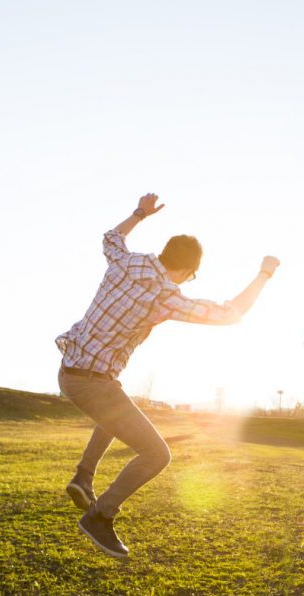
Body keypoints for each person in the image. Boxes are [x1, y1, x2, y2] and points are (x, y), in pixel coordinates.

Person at [55, 193, 279, 558]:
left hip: (70, 371)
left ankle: (83, 475)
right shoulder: (165, 295)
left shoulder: (126, 262)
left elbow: (110, 237)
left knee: (117, 410)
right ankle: (99, 515)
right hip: (91, 382)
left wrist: (140, 213)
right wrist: (264, 274)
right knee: (157, 454)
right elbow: (228, 314)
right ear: (188, 271)